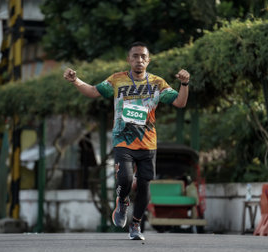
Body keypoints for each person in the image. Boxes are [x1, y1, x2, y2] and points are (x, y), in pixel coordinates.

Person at [63, 42, 190, 240]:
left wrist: (184, 84)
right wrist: (76, 80)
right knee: (125, 179)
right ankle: (122, 201)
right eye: (135, 56)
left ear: (148, 60)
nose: (139, 60)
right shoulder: (117, 80)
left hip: (148, 143)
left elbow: (180, 102)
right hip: (123, 139)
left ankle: (136, 225)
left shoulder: (157, 83)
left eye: (143, 56)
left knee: (145, 189)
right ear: (129, 59)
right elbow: (93, 91)